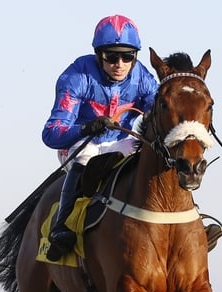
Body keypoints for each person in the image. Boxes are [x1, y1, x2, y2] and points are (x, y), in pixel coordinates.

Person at [41, 14, 158, 261]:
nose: (119, 63)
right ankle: (61, 228)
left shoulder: (144, 78)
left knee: (154, 154)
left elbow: (159, 111)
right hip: (81, 144)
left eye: (127, 56)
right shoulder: (76, 76)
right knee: (87, 154)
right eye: (111, 56)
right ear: (98, 55)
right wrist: (86, 128)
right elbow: (51, 134)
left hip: (121, 141)